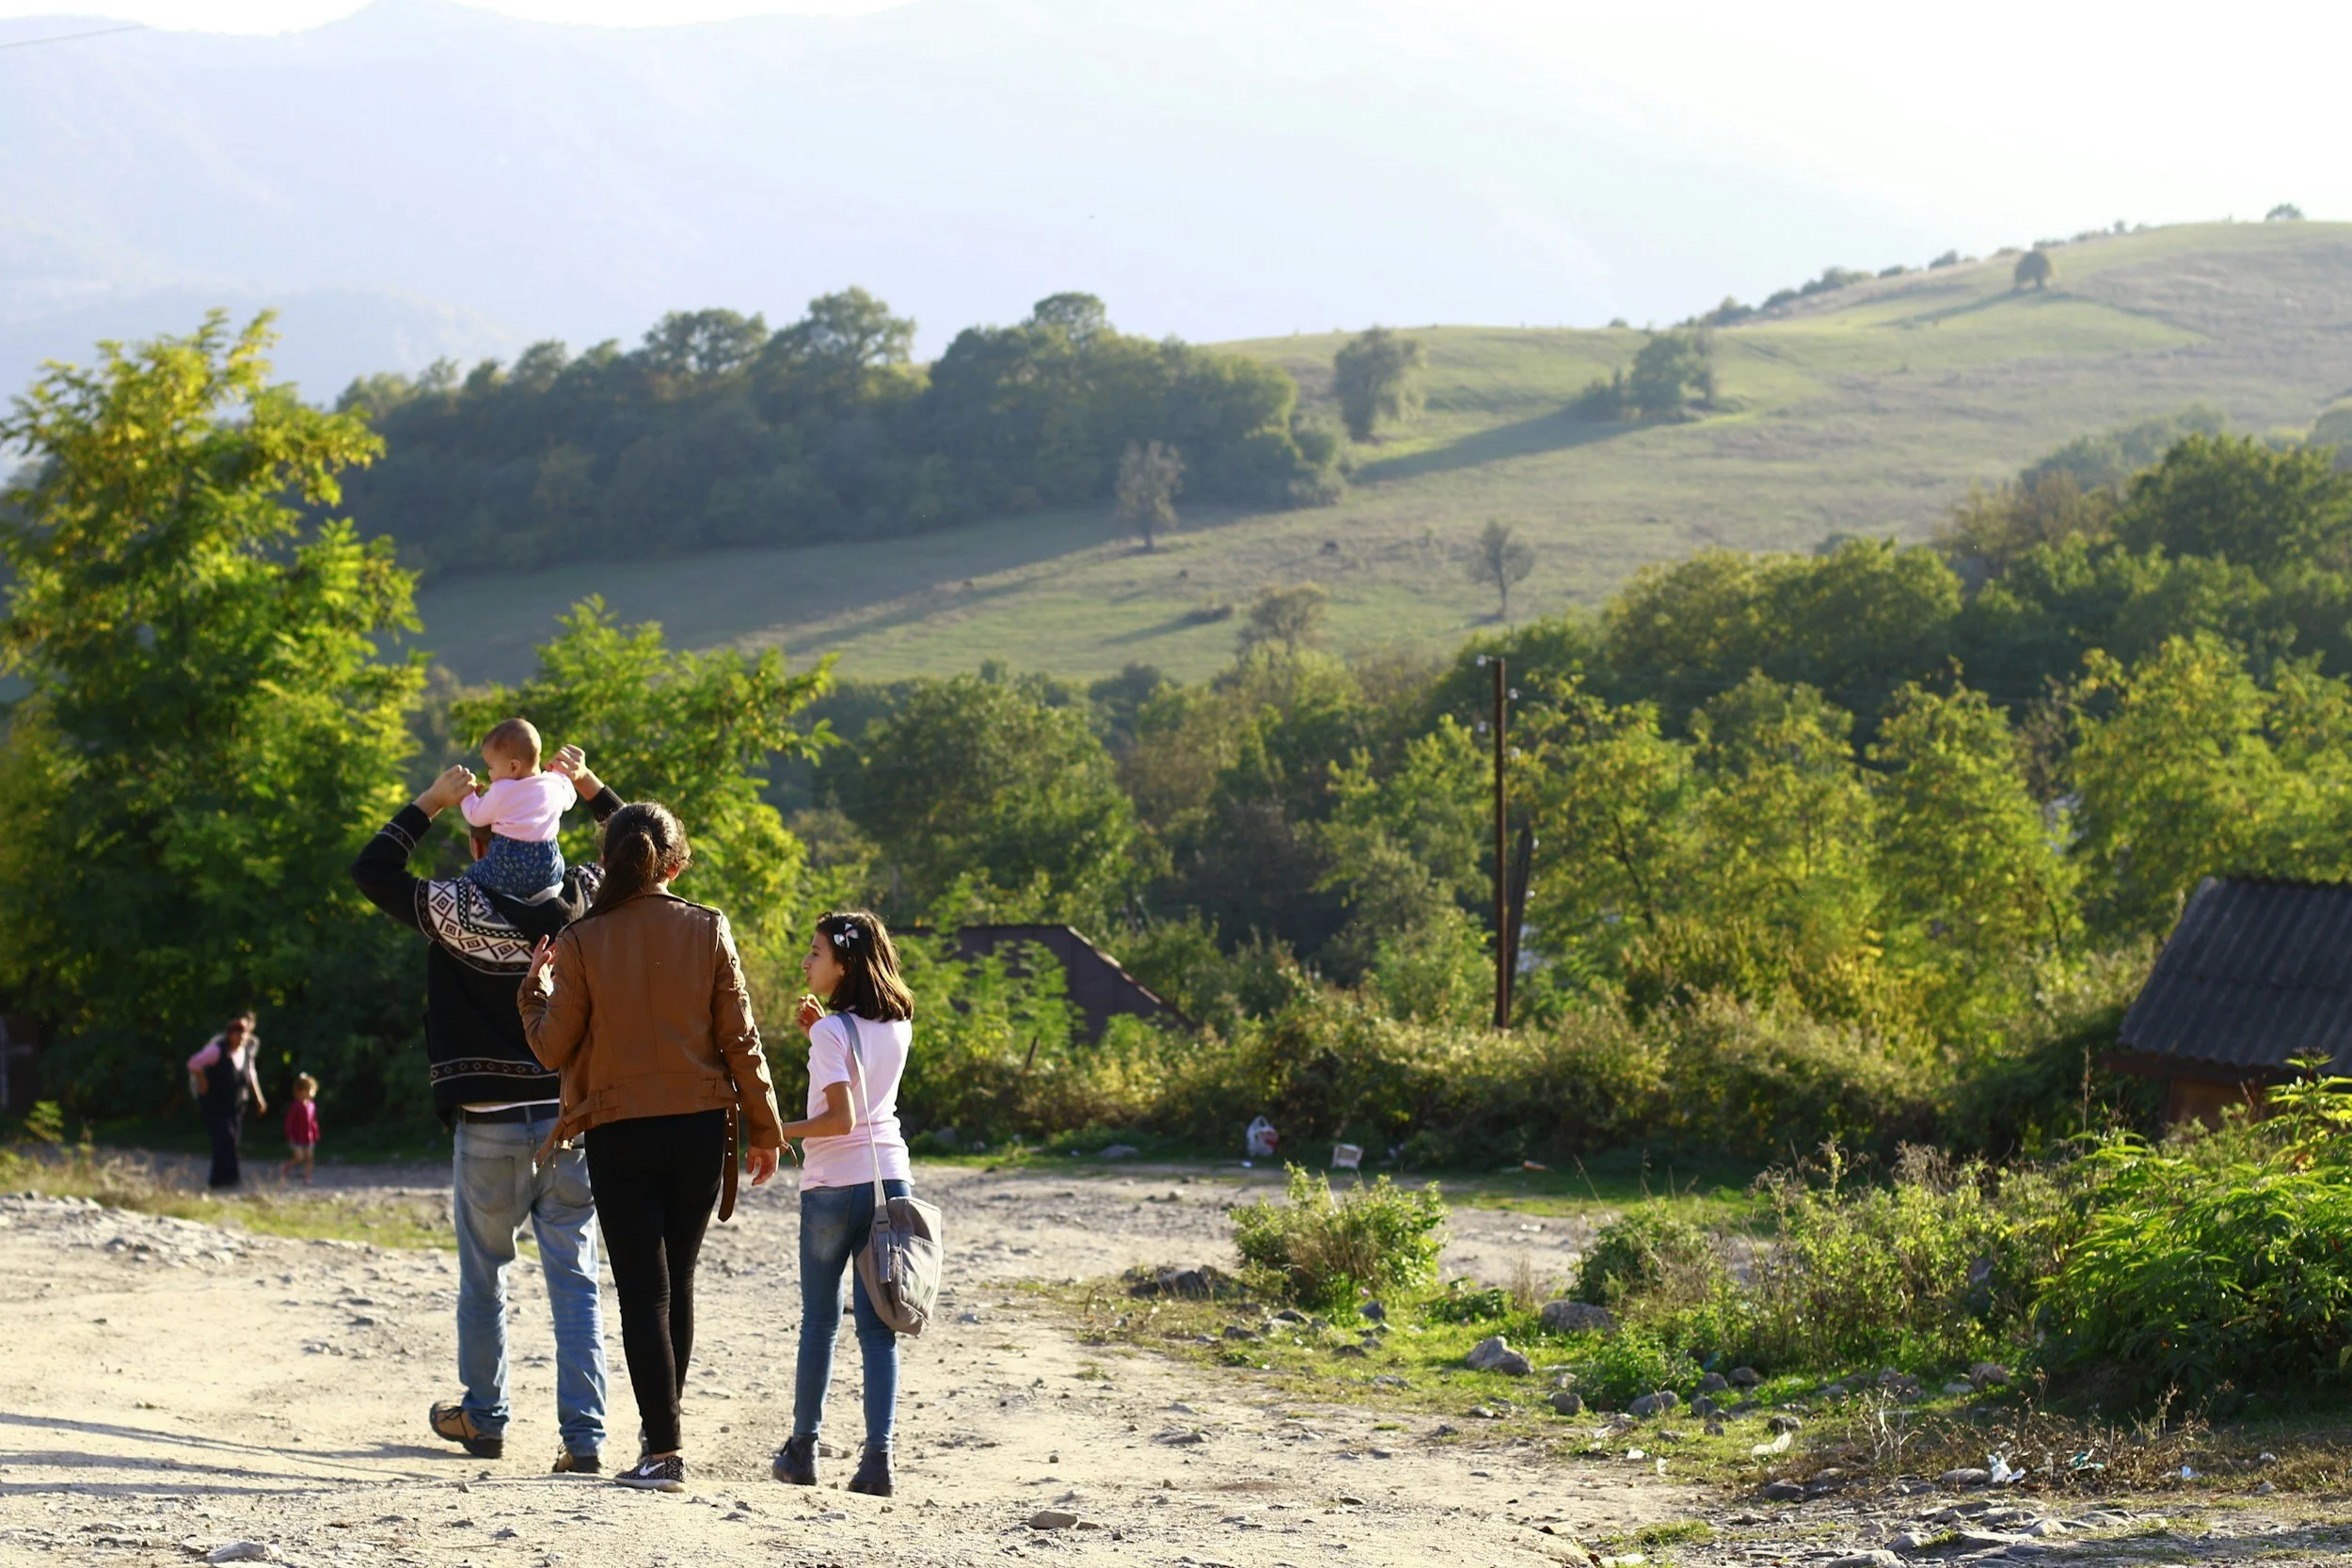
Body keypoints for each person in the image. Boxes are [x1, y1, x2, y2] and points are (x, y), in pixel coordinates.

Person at [349, 744, 616, 1475]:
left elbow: (371, 870)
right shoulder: (584, 901)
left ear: (483, 838)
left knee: (485, 1275)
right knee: (577, 1280)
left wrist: (430, 801)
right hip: (567, 1122)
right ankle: (585, 1437)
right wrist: (588, 785)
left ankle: (485, 1417)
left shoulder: (455, 906)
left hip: (490, 1124)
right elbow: (642, 850)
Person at [519, 800, 787, 1494]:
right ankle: (660, 1433)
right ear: (676, 862)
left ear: (607, 862)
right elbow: (741, 1038)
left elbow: (553, 1046)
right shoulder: (708, 926)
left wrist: (531, 994)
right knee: (680, 1280)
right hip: (701, 1126)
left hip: (619, 1129)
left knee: (644, 1290)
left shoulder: (580, 941)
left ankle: (663, 1446)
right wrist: (766, 1127)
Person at [770, 910, 916, 1498]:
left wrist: (777, 1130)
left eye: (815, 952)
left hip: (834, 1187)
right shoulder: (900, 1024)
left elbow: (839, 1117)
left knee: (820, 1321)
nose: (806, 961)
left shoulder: (833, 1033)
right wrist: (818, 1032)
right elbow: (868, 1082)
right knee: (879, 1329)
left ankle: (804, 1450)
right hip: (890, 1182)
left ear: (845, 964)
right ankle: (877, 1462)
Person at [461, 717, 577, 902]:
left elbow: (475, 816)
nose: (490, 773)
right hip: (548, 872)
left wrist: (467, 796)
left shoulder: (501, 790)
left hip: (507, 870)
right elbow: (570, 799)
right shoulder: (553, 784)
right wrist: (561, 776)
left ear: (513, 766)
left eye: (490, 767)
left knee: (470, 877)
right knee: (559, 870)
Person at [185, 1013, 266, 1190]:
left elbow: (251, 1076)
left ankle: (229, 1179)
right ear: (230, 1034)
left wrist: (258, 1099)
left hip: (236, 1105)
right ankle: (218, 1179)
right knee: (223, 1139)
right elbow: (193, 1063)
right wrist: (202, 1081)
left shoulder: (244, 1053)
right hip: (215, 1104)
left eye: (244, 1034)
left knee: (233, 1141)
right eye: (239, 1034)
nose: (242, 1038)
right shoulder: (217, 1050)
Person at [281, 1073, 321, 1184]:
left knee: (309, 1158)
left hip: (309, 1137)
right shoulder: (295, 1106)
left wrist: (316, 1132)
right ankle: (287, 1167)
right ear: (299, 1091)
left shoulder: (312, 1106)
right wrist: (290, 1134)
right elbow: (289, 1122)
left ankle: (307, 1177)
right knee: (299, 1157)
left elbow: (313, 1121)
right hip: (297, 1137)